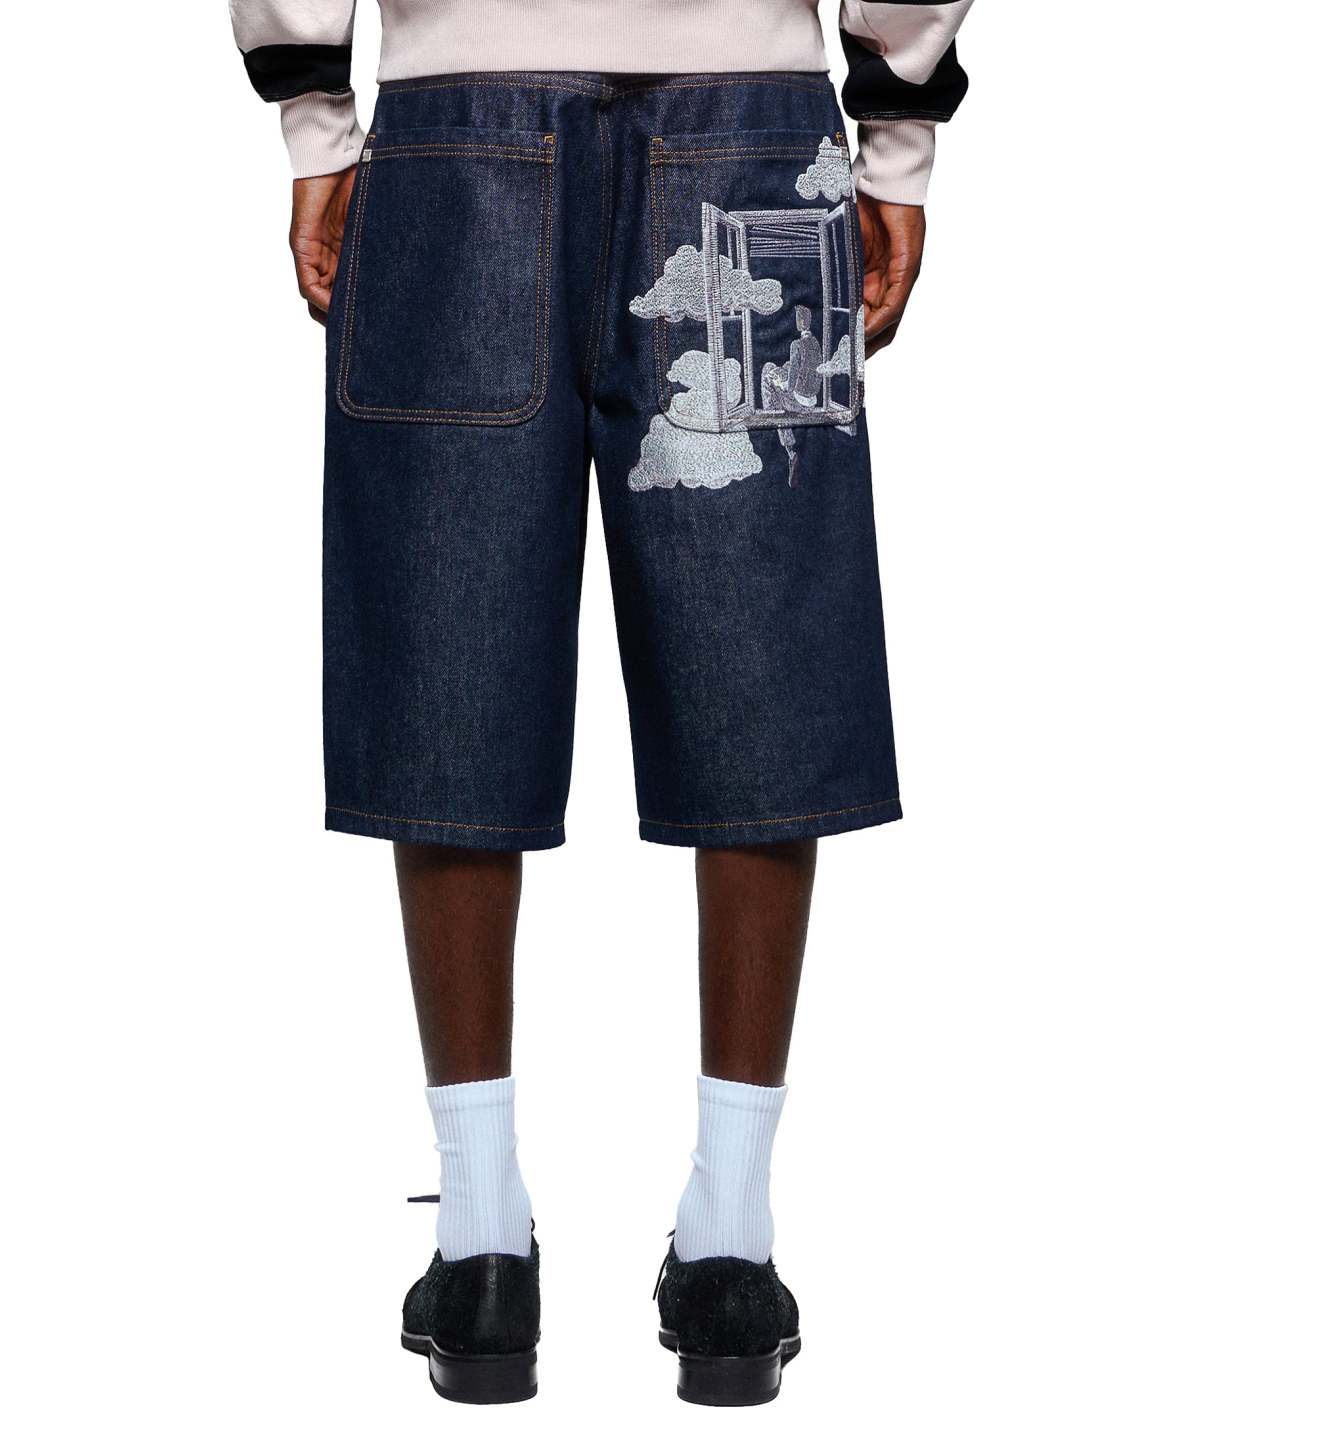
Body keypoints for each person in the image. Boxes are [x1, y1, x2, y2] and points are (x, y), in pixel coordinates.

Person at [229, 0, 971, 1408]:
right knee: (756, 640)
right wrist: (893, 140)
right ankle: (731, 1246)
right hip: (751, 132)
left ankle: (480, 1241)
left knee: (451, 631)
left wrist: (317, 126)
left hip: (455, 130)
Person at [762, 304, 825, 485]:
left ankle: (788, 447)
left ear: (799, 322)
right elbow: (808, 370)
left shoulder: (796, 345)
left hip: (798, 401)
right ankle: (775, 410)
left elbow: (791, 383)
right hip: (812, 399)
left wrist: (780, 383)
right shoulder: (815, 343)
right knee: (779, 367)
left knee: (767, 375)